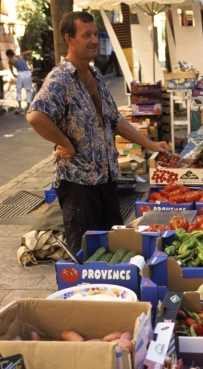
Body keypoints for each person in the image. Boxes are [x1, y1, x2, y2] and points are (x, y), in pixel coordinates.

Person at [26, 11, 169, 255]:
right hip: (78, 183)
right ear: (69, 39)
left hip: (107, 177)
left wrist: (150, 144)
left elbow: (115, 119)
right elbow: (35, 116)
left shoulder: (95, 74)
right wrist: (66, 144)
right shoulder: (60, 79)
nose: (94, 40)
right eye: (86, 35)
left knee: (112, 247)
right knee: (84, 252)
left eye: (95, 34)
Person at [5, 49, 33, 114]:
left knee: (18, 90)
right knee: (28, 91)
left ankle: (20, 107)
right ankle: (28, 107)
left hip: (20, 74)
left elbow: (11, 69)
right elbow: (30, 51)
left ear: (8, 55)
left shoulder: (11, 60)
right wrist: (31, 59)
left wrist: (14, 75)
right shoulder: (20, 55)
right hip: (27, 73)